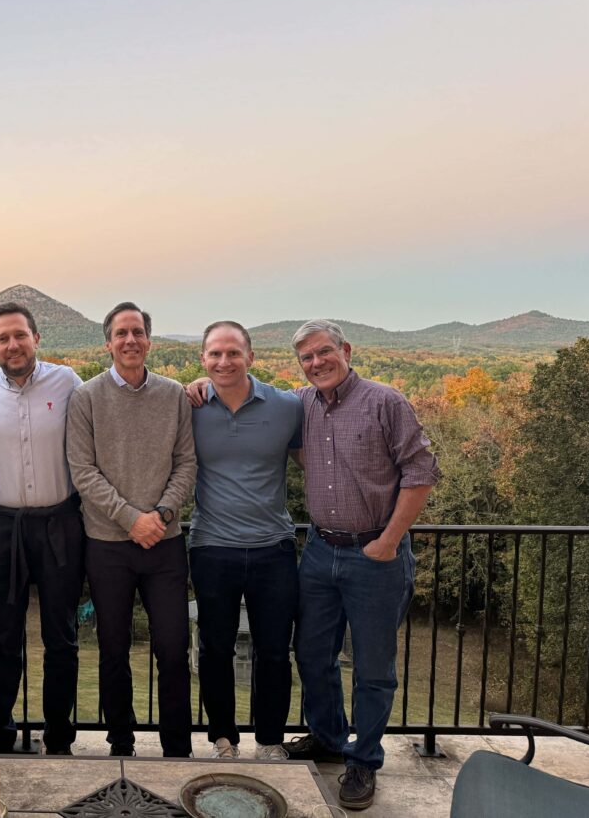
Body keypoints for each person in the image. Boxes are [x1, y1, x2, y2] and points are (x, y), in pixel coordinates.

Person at [283, 320, 439, 811]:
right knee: (311, 656)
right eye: (306, 357)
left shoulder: (384, 401)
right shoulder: (301, 404)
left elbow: (421, 472)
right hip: (319, 550)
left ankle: (363, 760)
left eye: (324, 351)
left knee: (372, 668)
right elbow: (251, 399)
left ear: (346, 350)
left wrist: (390, 541)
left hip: (376, 555)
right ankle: (328, 739)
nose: (316, 363)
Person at [65, 301, 197, 758]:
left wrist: (159, 515)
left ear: (149, 340)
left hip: (164, 542)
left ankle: (177, 749)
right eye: (121, 333)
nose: (130, 340)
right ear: (108, 342)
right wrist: (130, 518)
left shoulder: (174, 394)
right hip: (107, 545)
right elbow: (82, 471)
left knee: (173, 648)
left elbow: (186, 463)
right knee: (113, 649)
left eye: (137, 332)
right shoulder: (85, 397)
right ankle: (121, 743)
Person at [0, 302, 86, 755]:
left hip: (60, 523)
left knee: (61, 637)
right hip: (2, 527)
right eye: (3, 338)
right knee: (3, 636)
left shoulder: (69, 382)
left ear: (37, 338)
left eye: (20, 335)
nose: (13, 344)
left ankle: (59, 737)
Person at [187, 321, 303, 761]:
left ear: (251, 357)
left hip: (273, 548)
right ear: (203, 359)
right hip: (212, 547)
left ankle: (270, 740)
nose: (224, 361)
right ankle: (223, 739)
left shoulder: (287, 406)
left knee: (274, 651)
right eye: (214, 354)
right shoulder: (190, 405)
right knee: (215, 649)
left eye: (233, 353)